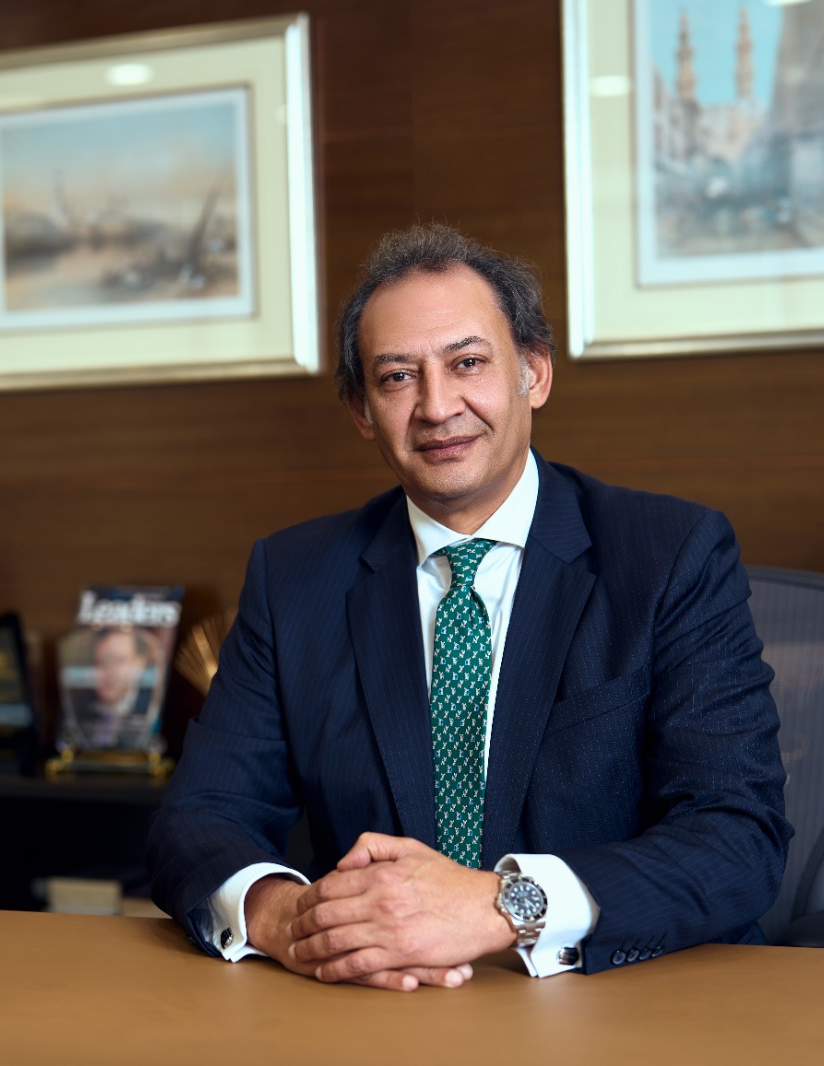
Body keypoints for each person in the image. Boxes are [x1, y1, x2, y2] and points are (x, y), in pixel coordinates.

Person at [146, 223, 791, 991]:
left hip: (624, 1001)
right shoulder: (294, 578)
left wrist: (500, 905)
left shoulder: (670, 553)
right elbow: (200, 818)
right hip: (379, 1006)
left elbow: (736, 837)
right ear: (362, 410)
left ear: (534, 374)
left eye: (468, 363)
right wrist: (293, 920)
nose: (436, 405)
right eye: (397, 377)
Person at [67, 628, 156, 750]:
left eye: (119, 660)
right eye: (101, 661)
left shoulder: (154, 708)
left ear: (140, 663)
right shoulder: (75, 707)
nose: (110, 671)